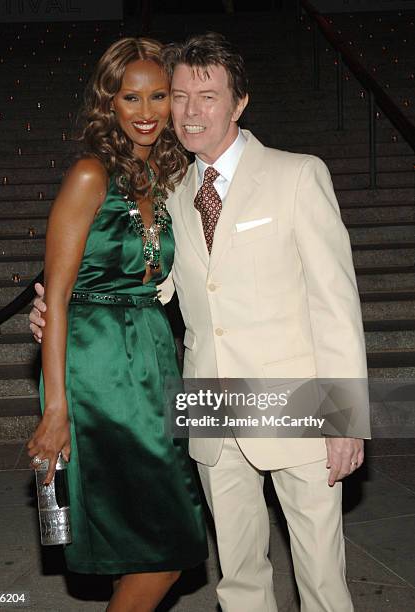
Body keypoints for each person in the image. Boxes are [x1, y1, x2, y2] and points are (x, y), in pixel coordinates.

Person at [30, 33, 370, 612]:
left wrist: (346, 418)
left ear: (239, 103)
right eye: (180, 95)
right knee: (237, 579)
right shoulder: (172, 191)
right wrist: (62, 309)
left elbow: (336, 304)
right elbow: (150, 280)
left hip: (295, 403)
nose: (189, 111)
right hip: (208, 406)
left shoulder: (296, 175)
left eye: (206, 96)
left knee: (320, 579)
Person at [26, 37, 207, 612]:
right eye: (132, 97)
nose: (148, 112)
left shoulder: (160, 177)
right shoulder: (89, 174)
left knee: (141, 536)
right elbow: (55, 294)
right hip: (98, 366)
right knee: (169, 544)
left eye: (159, 97)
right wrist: (57, 410)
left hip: (151, 356)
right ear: (110, 103)